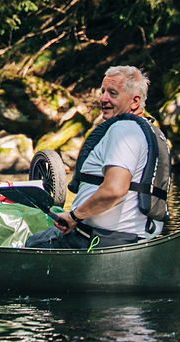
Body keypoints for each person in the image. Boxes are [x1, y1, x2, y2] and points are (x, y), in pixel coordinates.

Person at [26, 65, 170, 249]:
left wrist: (73, 217)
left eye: (112, 93)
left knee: (31, 243)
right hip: (135, 238)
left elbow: (114, 190)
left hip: (99, 241)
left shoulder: (123, 129)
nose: (103, 98)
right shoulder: (152, 133)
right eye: (102, 92)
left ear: (135, 101)